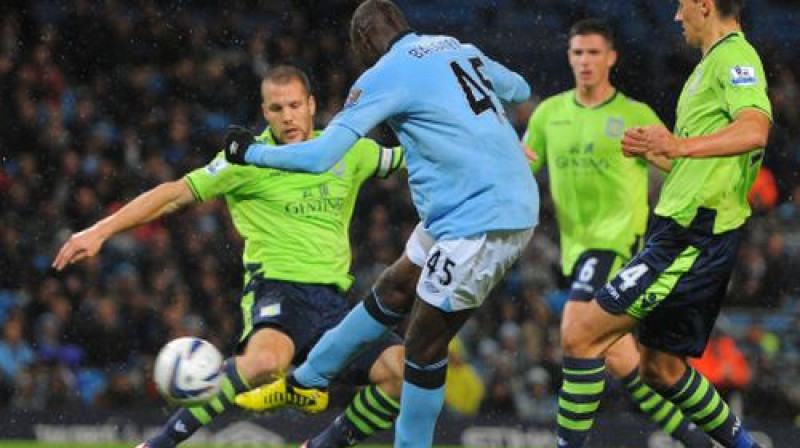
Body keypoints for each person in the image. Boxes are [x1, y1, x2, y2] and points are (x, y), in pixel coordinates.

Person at [225, 1, 538, 447]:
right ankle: (305, 383)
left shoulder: (384, 74)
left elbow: (319, 156)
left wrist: (249, 152)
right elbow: (520, 88)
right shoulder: (455, 47)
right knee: (395, 284)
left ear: (363, 41)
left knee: (423, 346)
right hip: (465, 207)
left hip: (481, 221)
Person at [52, 65, 407, 448]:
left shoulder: (349, 151)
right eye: (276, 108)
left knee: (402, 372)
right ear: (264, 112)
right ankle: (157, 444)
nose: (287, 117)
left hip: (336, 305)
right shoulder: (248, 160)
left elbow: (411, 157)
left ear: (311, 105)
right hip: (279, 292)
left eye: (293, 106)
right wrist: (100, 230)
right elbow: (174, 193)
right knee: (265, 363)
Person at [557, 0, 772, 447]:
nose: (676, 17)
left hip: (692, 238)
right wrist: (665, 158)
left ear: (706, 6)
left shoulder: (735, 57)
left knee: (580, 336)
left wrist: (676, 146)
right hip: (682, 230)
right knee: (661, 368)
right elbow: (712, 164)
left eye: (681, 6)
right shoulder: (708, 66)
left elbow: (754, 129)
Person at [524, 19, 711, 447]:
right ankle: (699, 441)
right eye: (578, 53)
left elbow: (678, 168)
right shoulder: (549, 114)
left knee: (575, 330)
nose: (585, 61)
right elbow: (523, 167)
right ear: (569, 57)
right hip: (576, 253)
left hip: (619, 244)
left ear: (611, 58)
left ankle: (568, 444)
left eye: (594, 53)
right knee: (626, 361)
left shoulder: (634, 116)